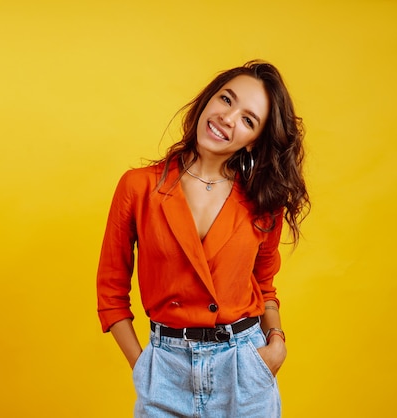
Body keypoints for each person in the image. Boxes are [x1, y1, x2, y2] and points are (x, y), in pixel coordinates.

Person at [96, 60, 309, 417]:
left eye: (248, 119)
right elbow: (110, 294)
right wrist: (144, 368)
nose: (228, 118)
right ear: (208, 100)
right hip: (166, 370)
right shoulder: (139, 187)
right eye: (226, 99)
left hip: (245, 371)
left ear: (254, 142)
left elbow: (265, 285)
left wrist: (277, 344)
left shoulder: (262, 203)